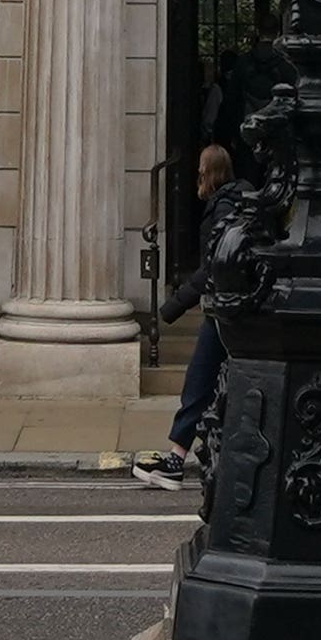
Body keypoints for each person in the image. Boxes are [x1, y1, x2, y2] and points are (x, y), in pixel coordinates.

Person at [132, 141, 247, 493]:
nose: (196, 174)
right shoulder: (232, 203)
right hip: (230, 308)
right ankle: (192, 456)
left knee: (200, 381)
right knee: (223, 385)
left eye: (200, 168)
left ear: (209, 172)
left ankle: (176, 460)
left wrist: (173, 306)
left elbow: (214, 265)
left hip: (222, 310)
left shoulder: (224, 208)